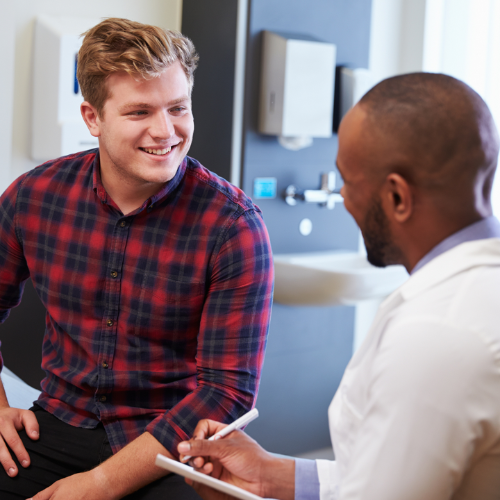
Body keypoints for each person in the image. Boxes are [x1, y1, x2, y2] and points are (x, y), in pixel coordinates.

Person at [177, 72, 500, 500]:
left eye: (347, 180)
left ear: (397, 197)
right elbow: (392, 474)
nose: (343, 197)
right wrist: (271, 475)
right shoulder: (475, 293)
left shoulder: (436, 333)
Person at [0, 18, 273, 500]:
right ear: (92, 118)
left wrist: (100, 484)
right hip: (56, 423)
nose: (166, 131)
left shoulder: (233, 226)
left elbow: (226, 393)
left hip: (171, 446)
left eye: (178, 108)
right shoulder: (34, 197)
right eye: (140, 112)